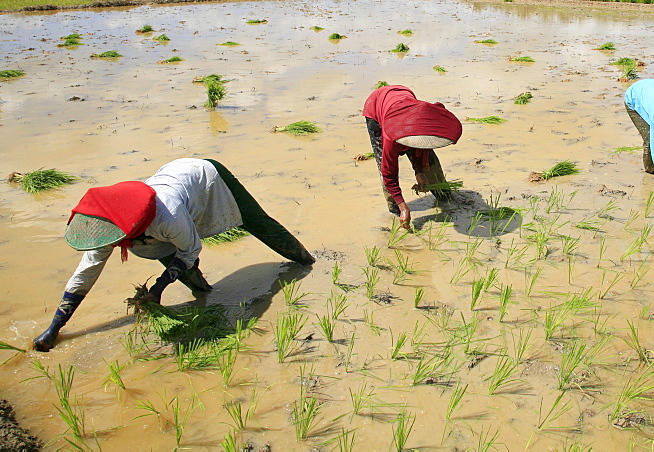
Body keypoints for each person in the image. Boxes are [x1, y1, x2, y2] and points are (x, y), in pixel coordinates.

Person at [32, 158, 314, 352]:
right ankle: (204, 294)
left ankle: (305, 261)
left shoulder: (167, 216)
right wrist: (55, 327)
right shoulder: (110, 226)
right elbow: (85, 275)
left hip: (207, 177)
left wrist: (157, 287)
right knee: (179, 266)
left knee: (257, 222)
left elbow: (191, 249)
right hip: (165, 210)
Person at [364, 85, 463, 228]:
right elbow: (388, 174)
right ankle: (396, 211)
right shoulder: (391, 138)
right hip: (375, 108)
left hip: (404, 98)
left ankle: (444, 197)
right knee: (383, 166)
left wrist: (420, 171)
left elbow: (422, 149)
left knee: (430, 160)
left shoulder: (422, 123)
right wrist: (403, 207)